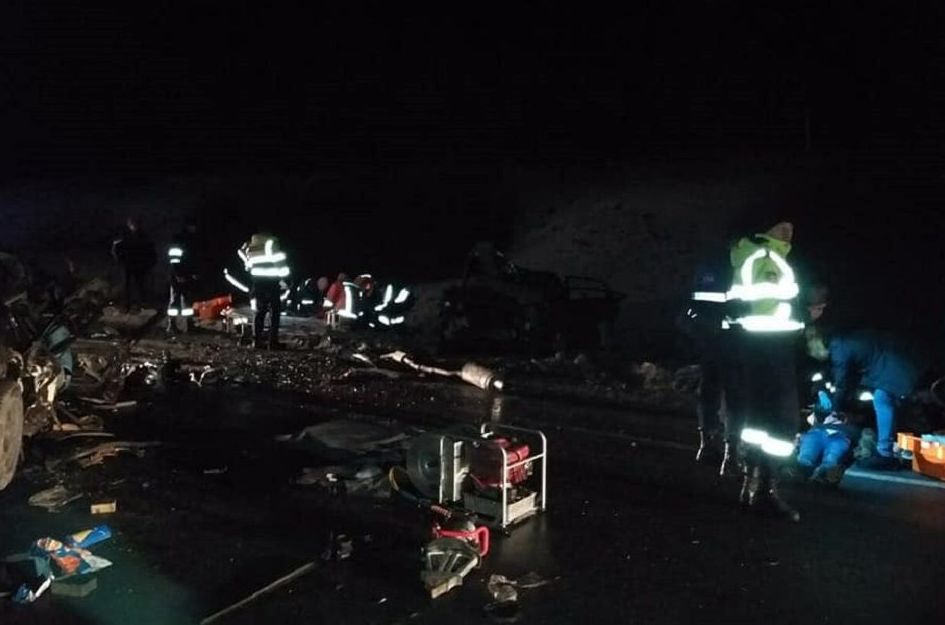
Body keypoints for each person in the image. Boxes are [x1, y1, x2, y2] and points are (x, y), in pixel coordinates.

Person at [726, 221, 805, 522]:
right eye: (782, 224)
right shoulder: (767, 257)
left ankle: (753, 486)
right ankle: (766, 490)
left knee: (759, 418)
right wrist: (798, 309)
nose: (789, 230)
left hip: (757, 345)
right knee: (781, 420)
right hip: (771, 344)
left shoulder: (754, 255)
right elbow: (768, 299)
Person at [806, 326, 927, 470]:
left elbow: (842, 383)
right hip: (896, 363)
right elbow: (848, 377)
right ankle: (887, 450)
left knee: (882, 401)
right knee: (885, 402)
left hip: (893, 369)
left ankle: (885, 453)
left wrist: (835, 409)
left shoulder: (839, 348)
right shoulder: (843, 341)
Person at [679, 248, 740, 475]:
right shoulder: (740, 266)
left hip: (712, 339)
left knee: (711, 391)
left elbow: (694, 302)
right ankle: (729, 452)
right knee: (733, 395)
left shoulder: (711, 264)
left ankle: (709, 445)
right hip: (732, 340)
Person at [239, 233, 290, 349]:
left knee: (259, 313)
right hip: (272, 284)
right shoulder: (272, 245)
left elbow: (248, 266)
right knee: (274, 313)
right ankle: (273, 342)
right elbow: (282, 269)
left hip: (257, 284)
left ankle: (257, 341)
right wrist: (286, 279)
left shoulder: (251, 248)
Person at [111, 217, 156, 312]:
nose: (133, 226)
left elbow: (150, 249)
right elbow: (116, 248)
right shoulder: (124, 235)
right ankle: (127, 304)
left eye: (135, 224)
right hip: (128, 263)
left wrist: (150, 262)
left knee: (140, 284)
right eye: (132, 224)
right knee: (127, 285)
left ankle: (141, 303)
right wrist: (119, 260)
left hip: (139, 264)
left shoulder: (143, 236)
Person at [166, 221, 200, 334]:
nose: (195, 228)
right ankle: (172, 325)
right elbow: (175, 259)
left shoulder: (191, 239)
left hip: (186, 274)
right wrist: (178, 274)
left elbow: (192, 259)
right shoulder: (179, 239)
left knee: (188, 301)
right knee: (175, 300)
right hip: (178, 275)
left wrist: (194, 272)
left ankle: (189, 324)